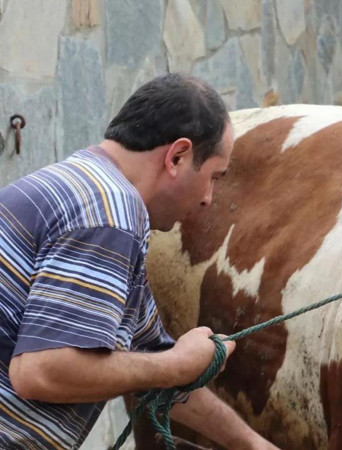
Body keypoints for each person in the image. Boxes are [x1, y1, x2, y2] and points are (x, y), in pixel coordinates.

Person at [0, 73, 279, 449]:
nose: (208, 199)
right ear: (177, 156)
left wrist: (251, 444)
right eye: (213, 177)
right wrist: (178, 365)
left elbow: (151, 363)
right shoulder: (111, 212)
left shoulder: (84, 182)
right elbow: (40, 370)